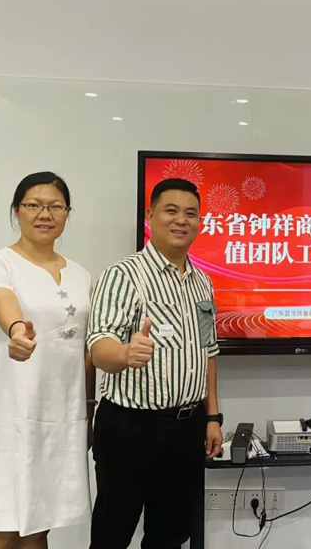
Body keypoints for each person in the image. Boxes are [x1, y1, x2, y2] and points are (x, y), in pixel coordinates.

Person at [0, 172, 95, 548]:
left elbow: (83, 349)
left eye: (55, 206)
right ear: (16, 211)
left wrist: (89, 409)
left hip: (60, 413)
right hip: (8, 412)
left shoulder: (81, 275)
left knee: (38, 525)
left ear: (67, 213)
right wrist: (16, 330)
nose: (44, 214)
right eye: (33, 205)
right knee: (1, 525)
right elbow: (0, 299)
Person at [88, 177, 223, 549]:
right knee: (112, 534)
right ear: (150, 215)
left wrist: (212, 416)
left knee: (170, 536)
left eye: (191, 214)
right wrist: (124, 354)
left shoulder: (202, 282)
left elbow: (208, 351)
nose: (181, 220)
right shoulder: (123, 275)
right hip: (130, 427)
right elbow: (99, 345)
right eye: (171, 211)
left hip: (187, 428)